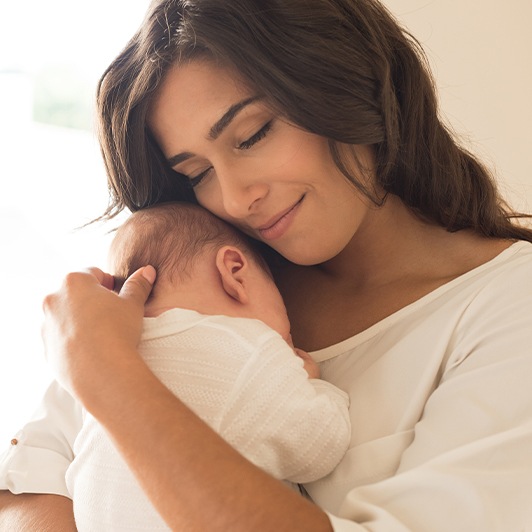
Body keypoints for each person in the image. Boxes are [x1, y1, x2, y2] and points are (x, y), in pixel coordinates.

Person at [2, 0, 532, 530]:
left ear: (347, 83)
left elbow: (91, 389)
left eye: (252, 135)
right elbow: (28, 485)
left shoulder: (508, 305)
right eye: (196, 172)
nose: (235, 198)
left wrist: (111, 380)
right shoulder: (202, 281)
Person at [66, 201, 350, 530]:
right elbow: (319, 448)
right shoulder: (247, 349)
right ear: (235, 272)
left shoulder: (109, 359)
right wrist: (313, 384)